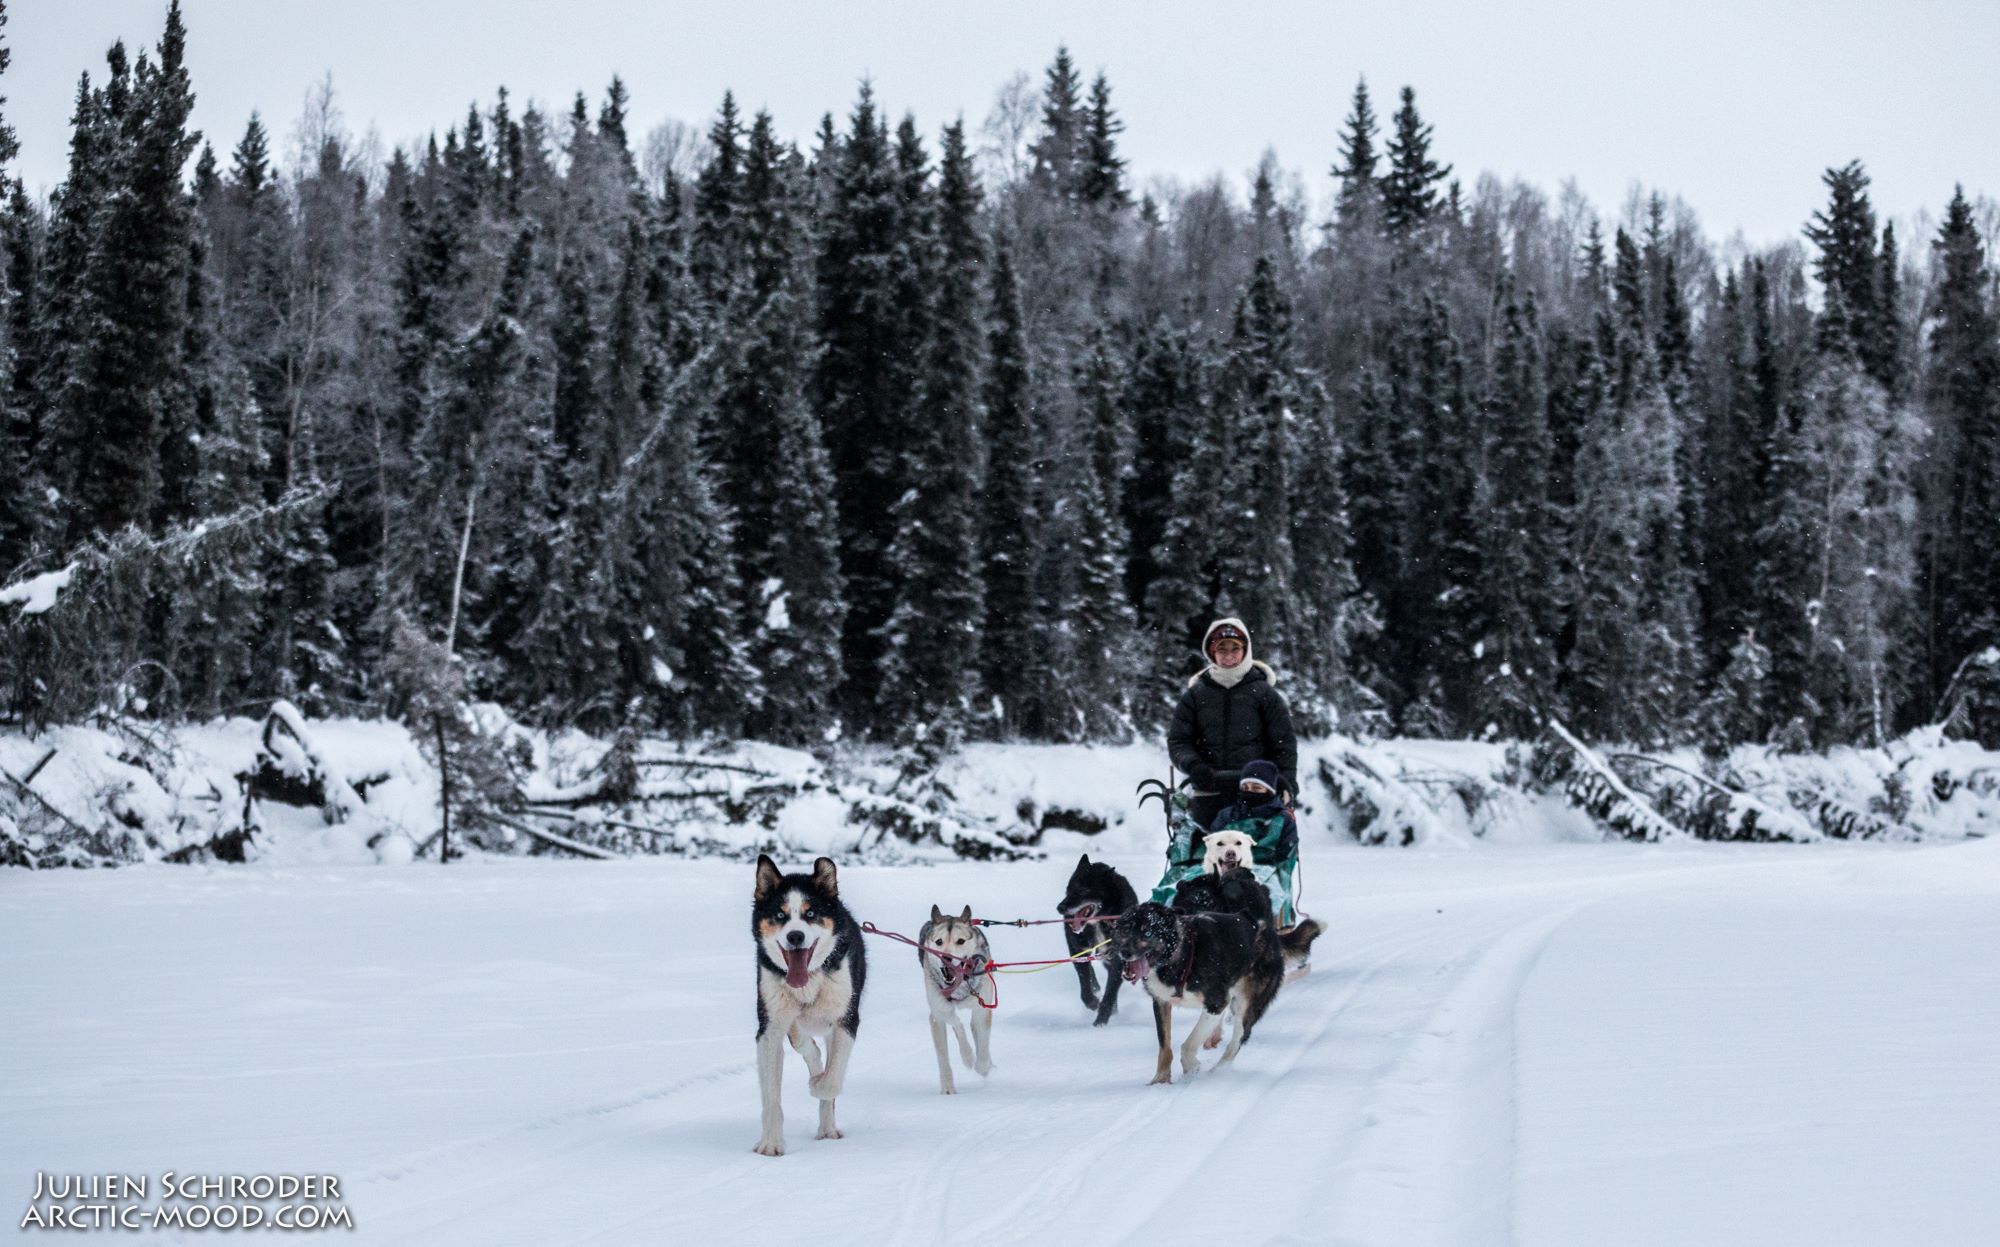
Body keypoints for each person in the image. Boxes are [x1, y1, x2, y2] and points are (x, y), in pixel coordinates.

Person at [1167, 617, 1298, 830]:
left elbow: (1283, 744)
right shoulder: (1195, 695)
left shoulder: (1265, 694)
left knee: (1254, 855)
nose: (1229, 655)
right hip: (1207, 791)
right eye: (1222, 649)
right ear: (1211, 652)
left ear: (1245, 650)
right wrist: (1194, 765)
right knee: (1206, 854)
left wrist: (1287, 783)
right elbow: (1179, 740)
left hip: (1256, 791)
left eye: (1235, 649)